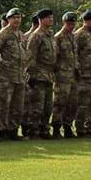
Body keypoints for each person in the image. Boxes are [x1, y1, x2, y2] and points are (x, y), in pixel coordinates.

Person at [27, 9, 60, 140]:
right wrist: (32, 75)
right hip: (39, 75)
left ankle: (44, 129)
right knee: (37, 106)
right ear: (41, 20)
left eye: (51, 18)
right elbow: (31, 56)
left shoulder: (50, 35)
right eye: (48, 18)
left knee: (47, 106)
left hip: (49, 74)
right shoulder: (36, 35)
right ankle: (33, 131)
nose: (51, 20)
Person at [0, 8, 24, 140]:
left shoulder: (20, 34)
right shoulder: (3, 34)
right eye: (14, 17)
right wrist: (1, 64)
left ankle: (13, 130)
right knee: (4, 104)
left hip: (19, 74)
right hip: (6, 75)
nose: (17, 20)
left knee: (17, 105)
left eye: (18, 17)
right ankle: (1, 130)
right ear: (8, 19)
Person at [74, 10, 91, 137]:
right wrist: (78, 70)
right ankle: (80, 128)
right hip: (84, 75)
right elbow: (74, 54)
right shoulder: (79, 35)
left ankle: (90, 127)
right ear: (86, 20)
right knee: (83, 103)